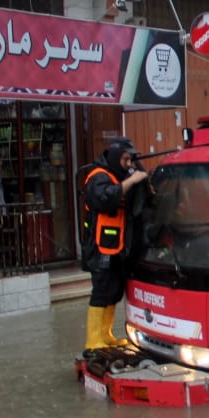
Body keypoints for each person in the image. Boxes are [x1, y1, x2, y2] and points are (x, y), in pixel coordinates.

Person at [81, 136, 149, 351]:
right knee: (101, 291)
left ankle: (106, 334)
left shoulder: (116, 175)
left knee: (114, 291)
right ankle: (93, 341)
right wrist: (131, 180)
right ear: (114, 157)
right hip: (99, 247)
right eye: (126, 160)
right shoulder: (98, 177)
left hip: (116, 246)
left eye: (131, 160)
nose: (129, 165)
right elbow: (105, 198)